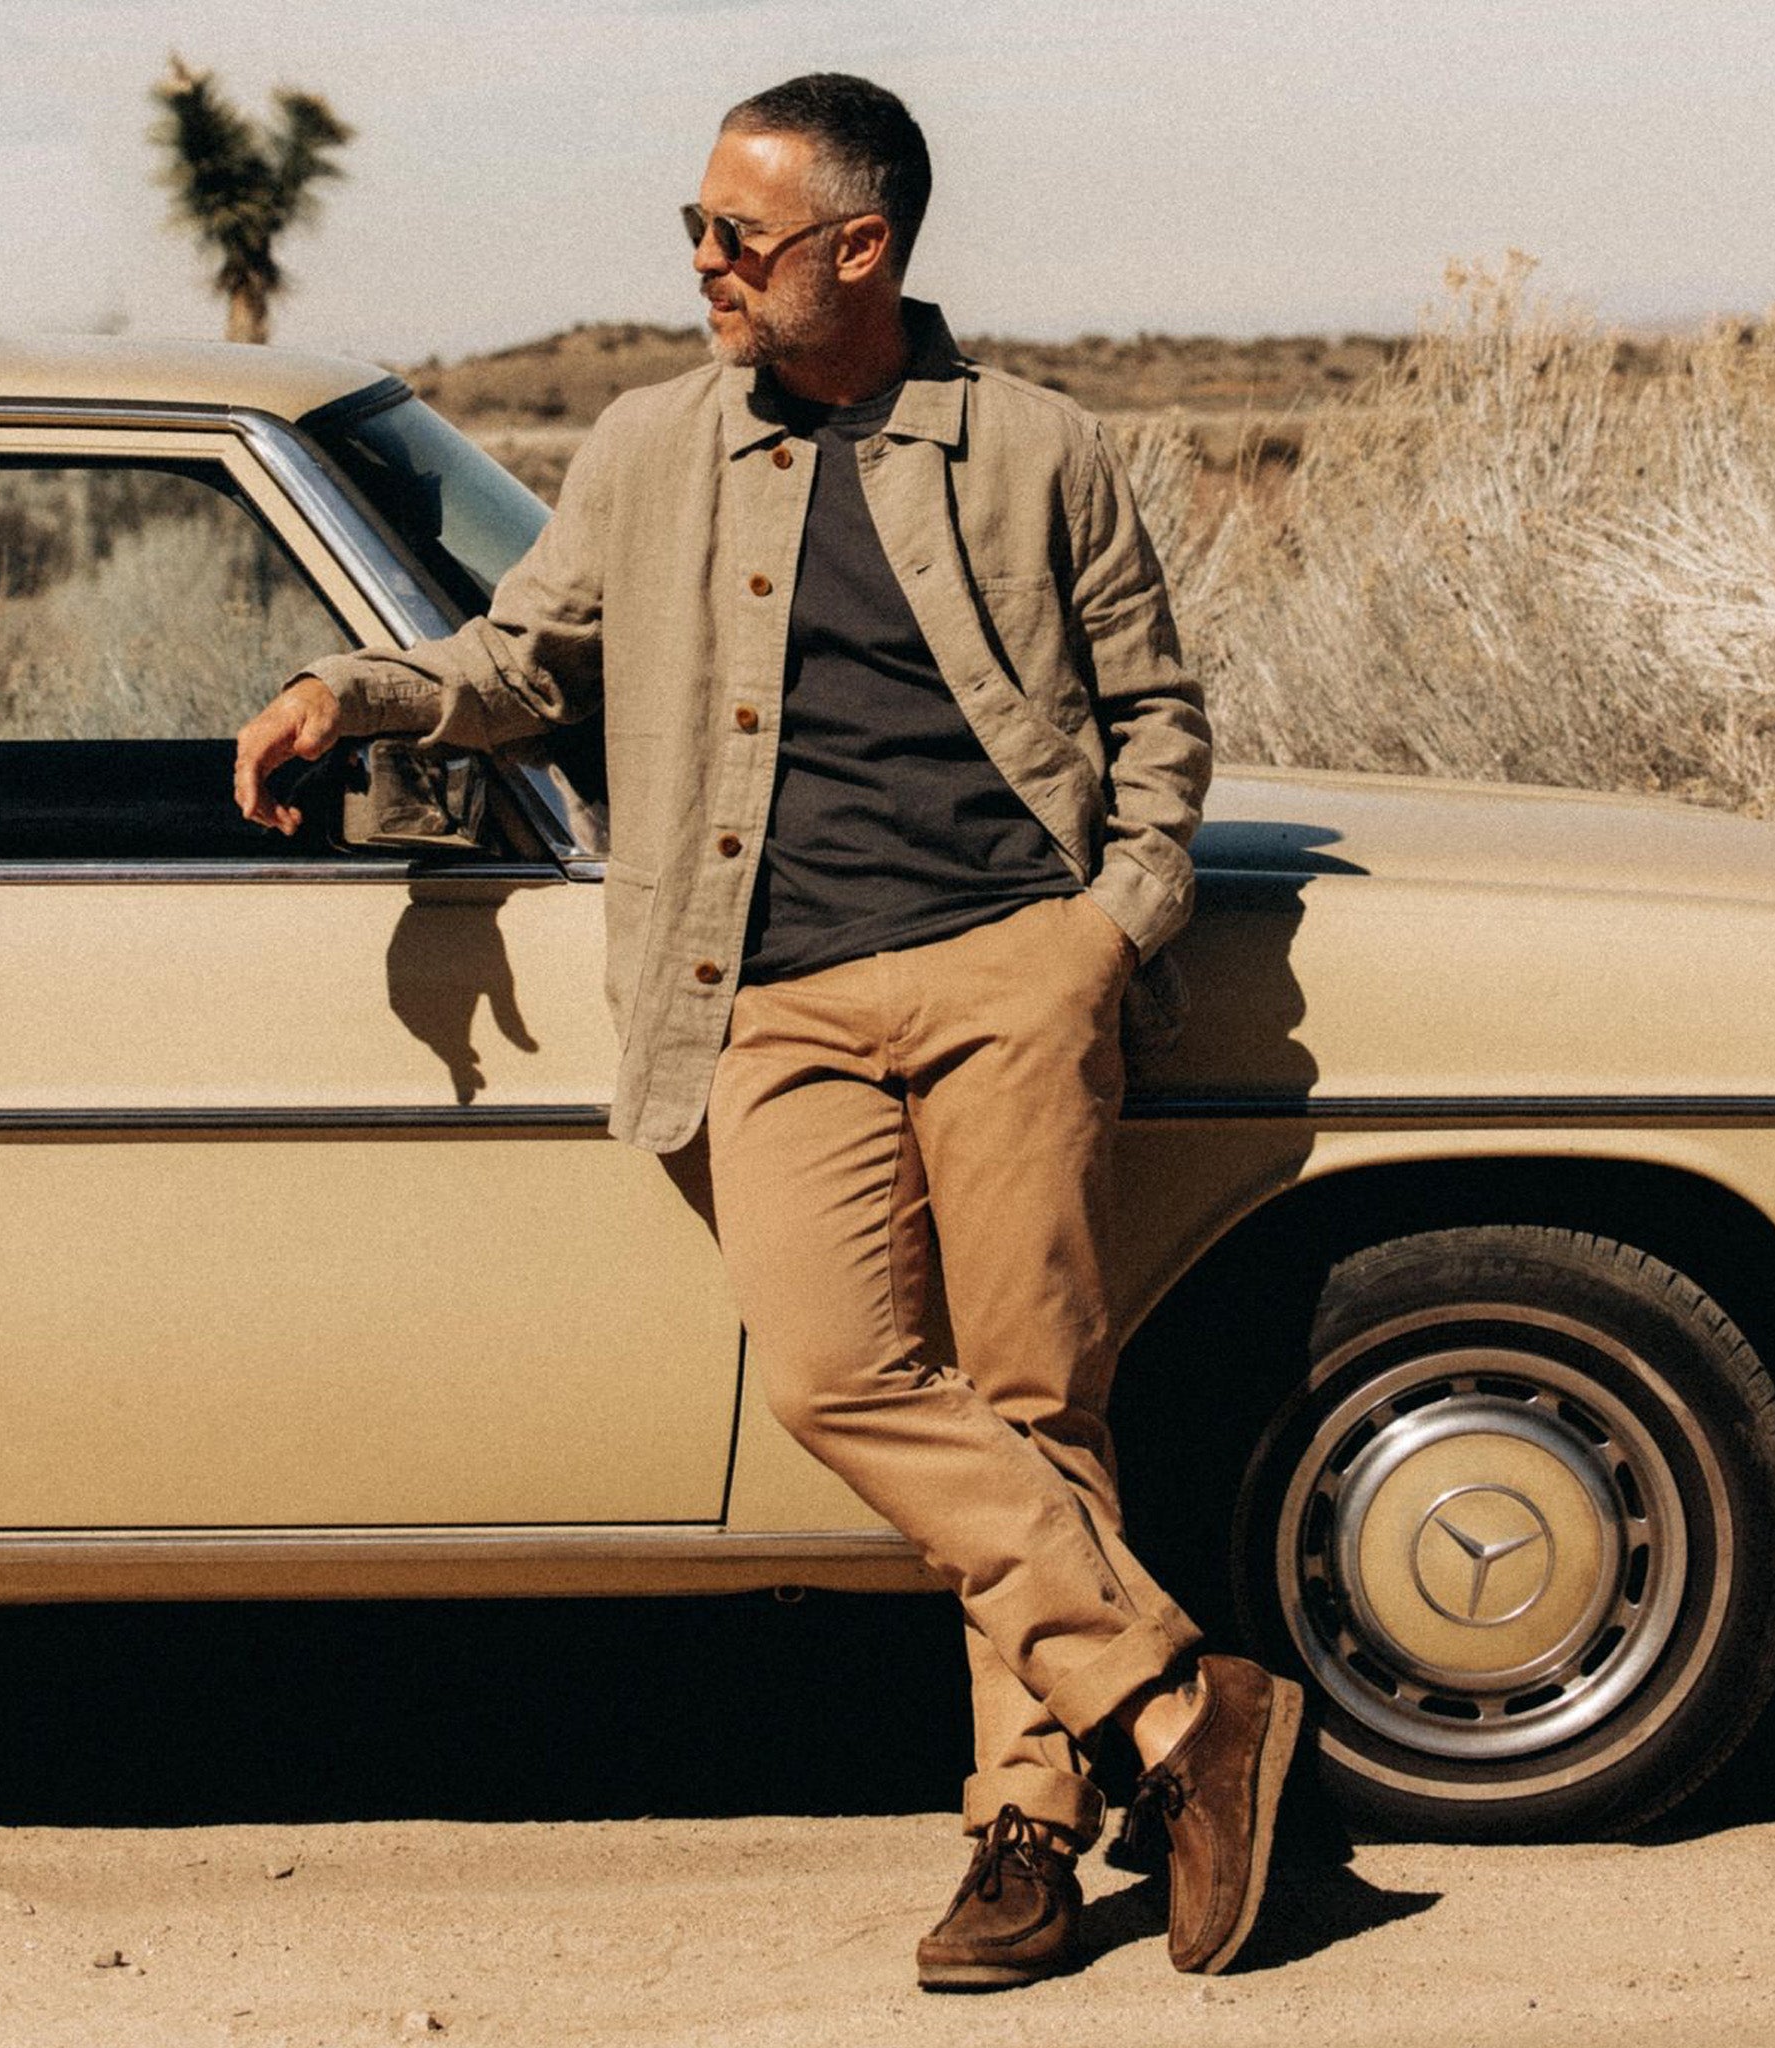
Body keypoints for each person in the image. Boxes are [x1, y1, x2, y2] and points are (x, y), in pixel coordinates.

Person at [235, 71, 1301, 1989]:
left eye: (737, 236)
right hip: (766, 994)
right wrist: (358, 692)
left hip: (1011, 970)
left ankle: (1027, 1839)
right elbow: (522, 660)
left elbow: (1158, 714)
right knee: (835, 1375)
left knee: (1036, 1406)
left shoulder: (1037, 448)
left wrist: (1107, 933)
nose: (705, 266)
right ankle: (1177, 1706)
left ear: (859, 249)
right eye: (697, 231)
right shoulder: (653, 447)